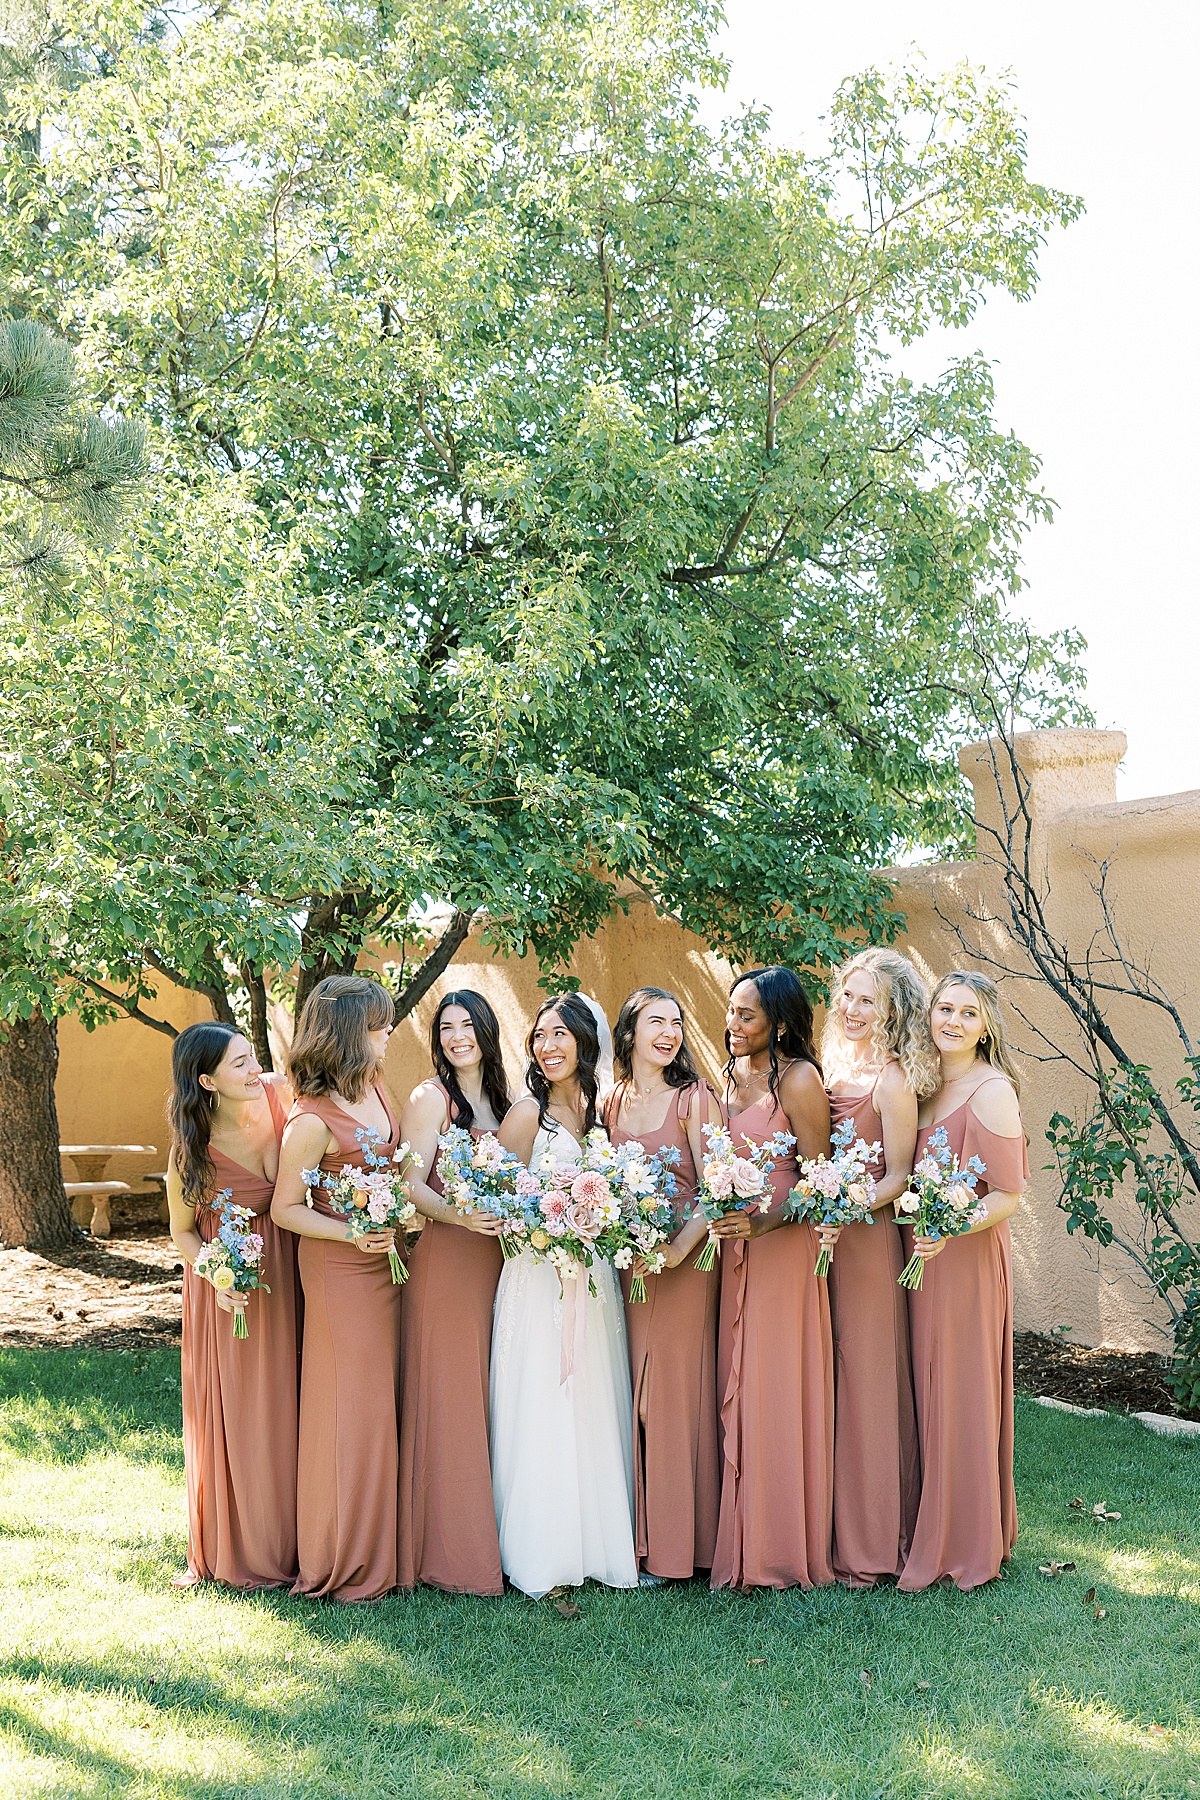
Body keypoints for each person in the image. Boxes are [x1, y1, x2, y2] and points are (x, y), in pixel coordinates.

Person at [491, 993, 637, 1596]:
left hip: (593, 1273)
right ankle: (541, 1548)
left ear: (584, 1041)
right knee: (545, 1396)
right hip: (538, 1274)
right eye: (539, 1036)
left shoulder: (602, 1113)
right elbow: (495, 1199)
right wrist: (548, 1229)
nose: (548, 1046)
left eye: (560, 1035)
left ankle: (597, 1540)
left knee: (591, 1395)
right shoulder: (528, 1116)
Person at [271, 975, 403, 1602]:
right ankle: (340, 1553)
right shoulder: (311, 1120)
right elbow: (285, 1209)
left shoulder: (377, 1087)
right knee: (348, 1409)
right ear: (354, 1035)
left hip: (389, 1265)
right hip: (339, 1272)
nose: (390, 1034)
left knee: (380, 1405)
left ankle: (385, 1547)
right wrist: (353, 1235)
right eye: (380, 1025)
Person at [899, 970, 1027, 1592]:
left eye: (968, 1013)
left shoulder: (992, 1091)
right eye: (944, 1008)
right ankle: (930, 1520)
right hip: (920, 1260)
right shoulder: (923, 1086)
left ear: (987, 1027)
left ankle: (968, 1539)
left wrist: (954, 1227)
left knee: (962, 1393)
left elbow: (1007, 1193)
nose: (952, 1021)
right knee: (927, 1389)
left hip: (966, 1261)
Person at [709, 967, 835, 1592]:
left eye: (747, 1016)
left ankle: (778, 1547)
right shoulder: (724, 1080)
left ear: (779, 1023)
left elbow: (820, 1181)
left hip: (783, 1250)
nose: (733, 1025)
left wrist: (764, 1225)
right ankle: (734, 1537)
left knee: (773, 1387)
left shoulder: (800, 1081)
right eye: (731, 1012)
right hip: (731, 1252)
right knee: (733, 1377)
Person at [167, 1022, 300, 1589]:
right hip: (233, 1293)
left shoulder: (281, 1095)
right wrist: (217, 1276)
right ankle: (247, 1544)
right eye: (240, 1063)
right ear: (207, 1081)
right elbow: (182, 1233)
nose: (256, 1069)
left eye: (253, 1056)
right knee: (247, 1412)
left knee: (298, 1401)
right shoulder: (189, 1153)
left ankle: (308, 1536)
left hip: (295, 1271)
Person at [821, 948, 937, 1585]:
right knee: (829, 1375)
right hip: (821, 1239)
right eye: (848, 996)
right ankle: (829, 1525)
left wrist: (846, 1203)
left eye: (869, 1000)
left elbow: (899, 1174)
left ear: (893, 1011)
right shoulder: (834, 1065)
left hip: (865, 1244)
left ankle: (874, 1540)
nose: (853, 1009)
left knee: (867, 1378)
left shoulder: (892, 1080)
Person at [397, 990, 512, 1595]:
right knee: (453, 1397)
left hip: (507, 1263)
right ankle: (448, 1550)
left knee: (498, 1391)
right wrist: (460, 1217)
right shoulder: (428, 1098)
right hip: (449, 1258)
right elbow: (410, 1182)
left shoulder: (510, 1099)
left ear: (487, 1031)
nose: (457, 1036)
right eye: (446, 1027)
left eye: (469, 1025)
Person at [604, 987, 720, 1580]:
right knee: (633, 1397)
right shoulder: (612, 1099)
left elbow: (718, 1185)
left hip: (682, 1266)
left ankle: (681, 1548)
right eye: (656, 1022)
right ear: (628, 1034)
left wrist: (677, 1248)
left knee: (671, 1399)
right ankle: (636, 1538)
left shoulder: (694, 1098)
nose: (670, 1032)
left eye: (677, 1022)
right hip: (629, 1267)